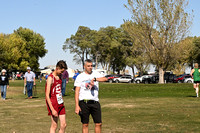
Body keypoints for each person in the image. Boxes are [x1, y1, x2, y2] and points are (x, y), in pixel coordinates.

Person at [74, 59, 108, 133]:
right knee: (85, 124)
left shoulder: (96, 74)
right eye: (88, 66)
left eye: (91, 66)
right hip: (84, 103)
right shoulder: (80, 76)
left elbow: (105, 79)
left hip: (95, 102)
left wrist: (95, 79)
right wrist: (77, 105)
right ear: (84, 66)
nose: (90, 67)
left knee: (98, 123)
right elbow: (77, 91)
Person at [45, 60, 67, 133]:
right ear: (57, 68)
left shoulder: (60, 76)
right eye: (61, 71)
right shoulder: (50, 78)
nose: (62, 73)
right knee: (54, 125)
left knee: (63, 125)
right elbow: (47, 95)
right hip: (53, 103)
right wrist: (52, 109)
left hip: (60, 102)